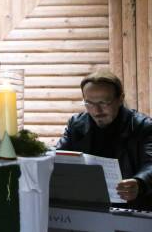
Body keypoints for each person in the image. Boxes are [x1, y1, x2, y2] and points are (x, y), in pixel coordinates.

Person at [57, 69, 152, 210]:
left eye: (104, 102)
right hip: (87, 205)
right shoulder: (76, 124)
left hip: (133, 207)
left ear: (120, 99)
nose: (97, 110)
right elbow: (58, 155)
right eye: (89, 103)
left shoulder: (143, 126)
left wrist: (140, 183)